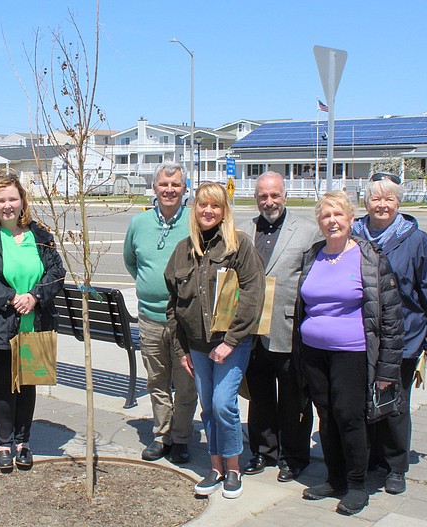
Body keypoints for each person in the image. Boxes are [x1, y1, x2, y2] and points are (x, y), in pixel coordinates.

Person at [296, 191, 403, 515]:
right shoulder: (313, 254)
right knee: (326, 416)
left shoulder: (370, 258)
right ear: (319, 222)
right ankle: (335, 478)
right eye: (326, 216)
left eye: (338, 215)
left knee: (350, 417)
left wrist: (387, 369)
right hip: (314, 352)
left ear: (351, 219)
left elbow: (390, 317)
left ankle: (357, 485)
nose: (332, 221)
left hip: (352, 353)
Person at [165, 182, 265, 500]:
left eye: (215, 206)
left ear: (224, 211)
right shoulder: (183, 249)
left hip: (230, 343)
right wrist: (181, 349)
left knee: (224, 404)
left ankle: (234, 468)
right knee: (207, 406)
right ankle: (216, 467)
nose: (208, 211)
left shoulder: (239, 246)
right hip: (196, 344)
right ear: (194, 209)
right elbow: (173, 304)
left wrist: (232, 340)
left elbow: (253, 294)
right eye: (202, 205)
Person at [0, 170, 65, 470]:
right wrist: (11, 297)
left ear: (22, 201)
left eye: (13, 198)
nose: (8, 205)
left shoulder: (41, 234)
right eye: (1, 200)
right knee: (3, 386)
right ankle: (4, 443)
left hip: (37, 321)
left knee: (28, 384)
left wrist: (34, 296)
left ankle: (23, 441)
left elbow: (56, 272)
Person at [353, 173, 427, 495]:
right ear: (365, 202)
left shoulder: (415, 239)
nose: (382, 205)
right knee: (364, 400)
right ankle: (369, 459)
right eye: (376, 198)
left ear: (398, 203)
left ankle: (395, 466)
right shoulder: (354, 235)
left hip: (403, 335)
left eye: (389, 199)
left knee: (395, 401)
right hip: (362, 335)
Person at [238, 171, 319, 482]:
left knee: (293, 399)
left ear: (285, 195)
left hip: (289, 327)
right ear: (255, 198)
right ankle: (262, 451)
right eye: (262, 196)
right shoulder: (243, 231)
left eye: (274, 195)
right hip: (252, 330)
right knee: (259, 397)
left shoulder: (308, 232)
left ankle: (294, 456)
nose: (268, 201)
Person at [123, 162, 196, 464]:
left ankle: (181, 438)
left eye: (175, 185)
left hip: (185, 322)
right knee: (157, 381)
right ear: (154, 188)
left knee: (186, 383)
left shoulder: (195, 222)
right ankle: (161, 434)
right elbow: (131, 261)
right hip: (150, 318)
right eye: (164, 185)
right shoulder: (139, 224)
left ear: (184, 188)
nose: (169, 190)